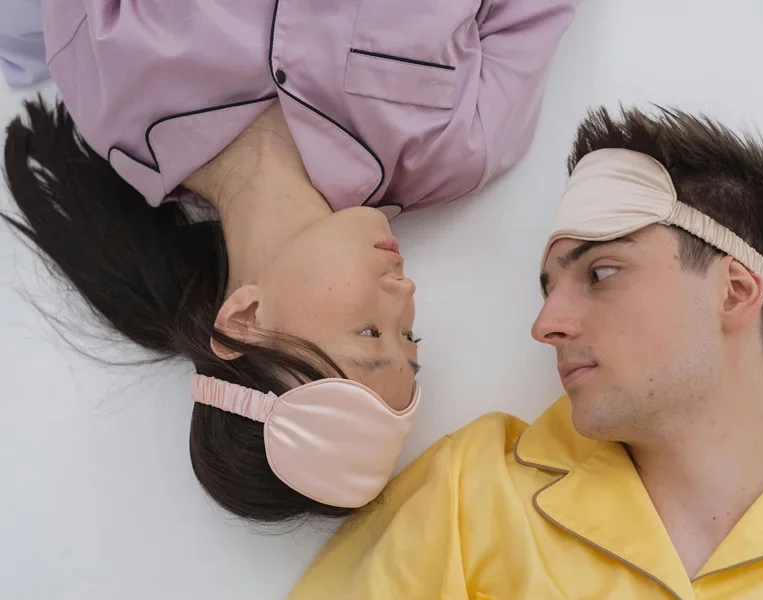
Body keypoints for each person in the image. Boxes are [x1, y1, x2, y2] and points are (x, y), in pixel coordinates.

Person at [1, 0, 581, 523]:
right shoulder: (462, 149)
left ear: (245, 319)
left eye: (369, 332)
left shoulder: (110, 86)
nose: (405, 292)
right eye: (410, 335)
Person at [289, 107, 763, 599]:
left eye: (602, 273)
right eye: (548, 287)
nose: (546, 324)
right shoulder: (474, 492)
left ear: (735, 293)